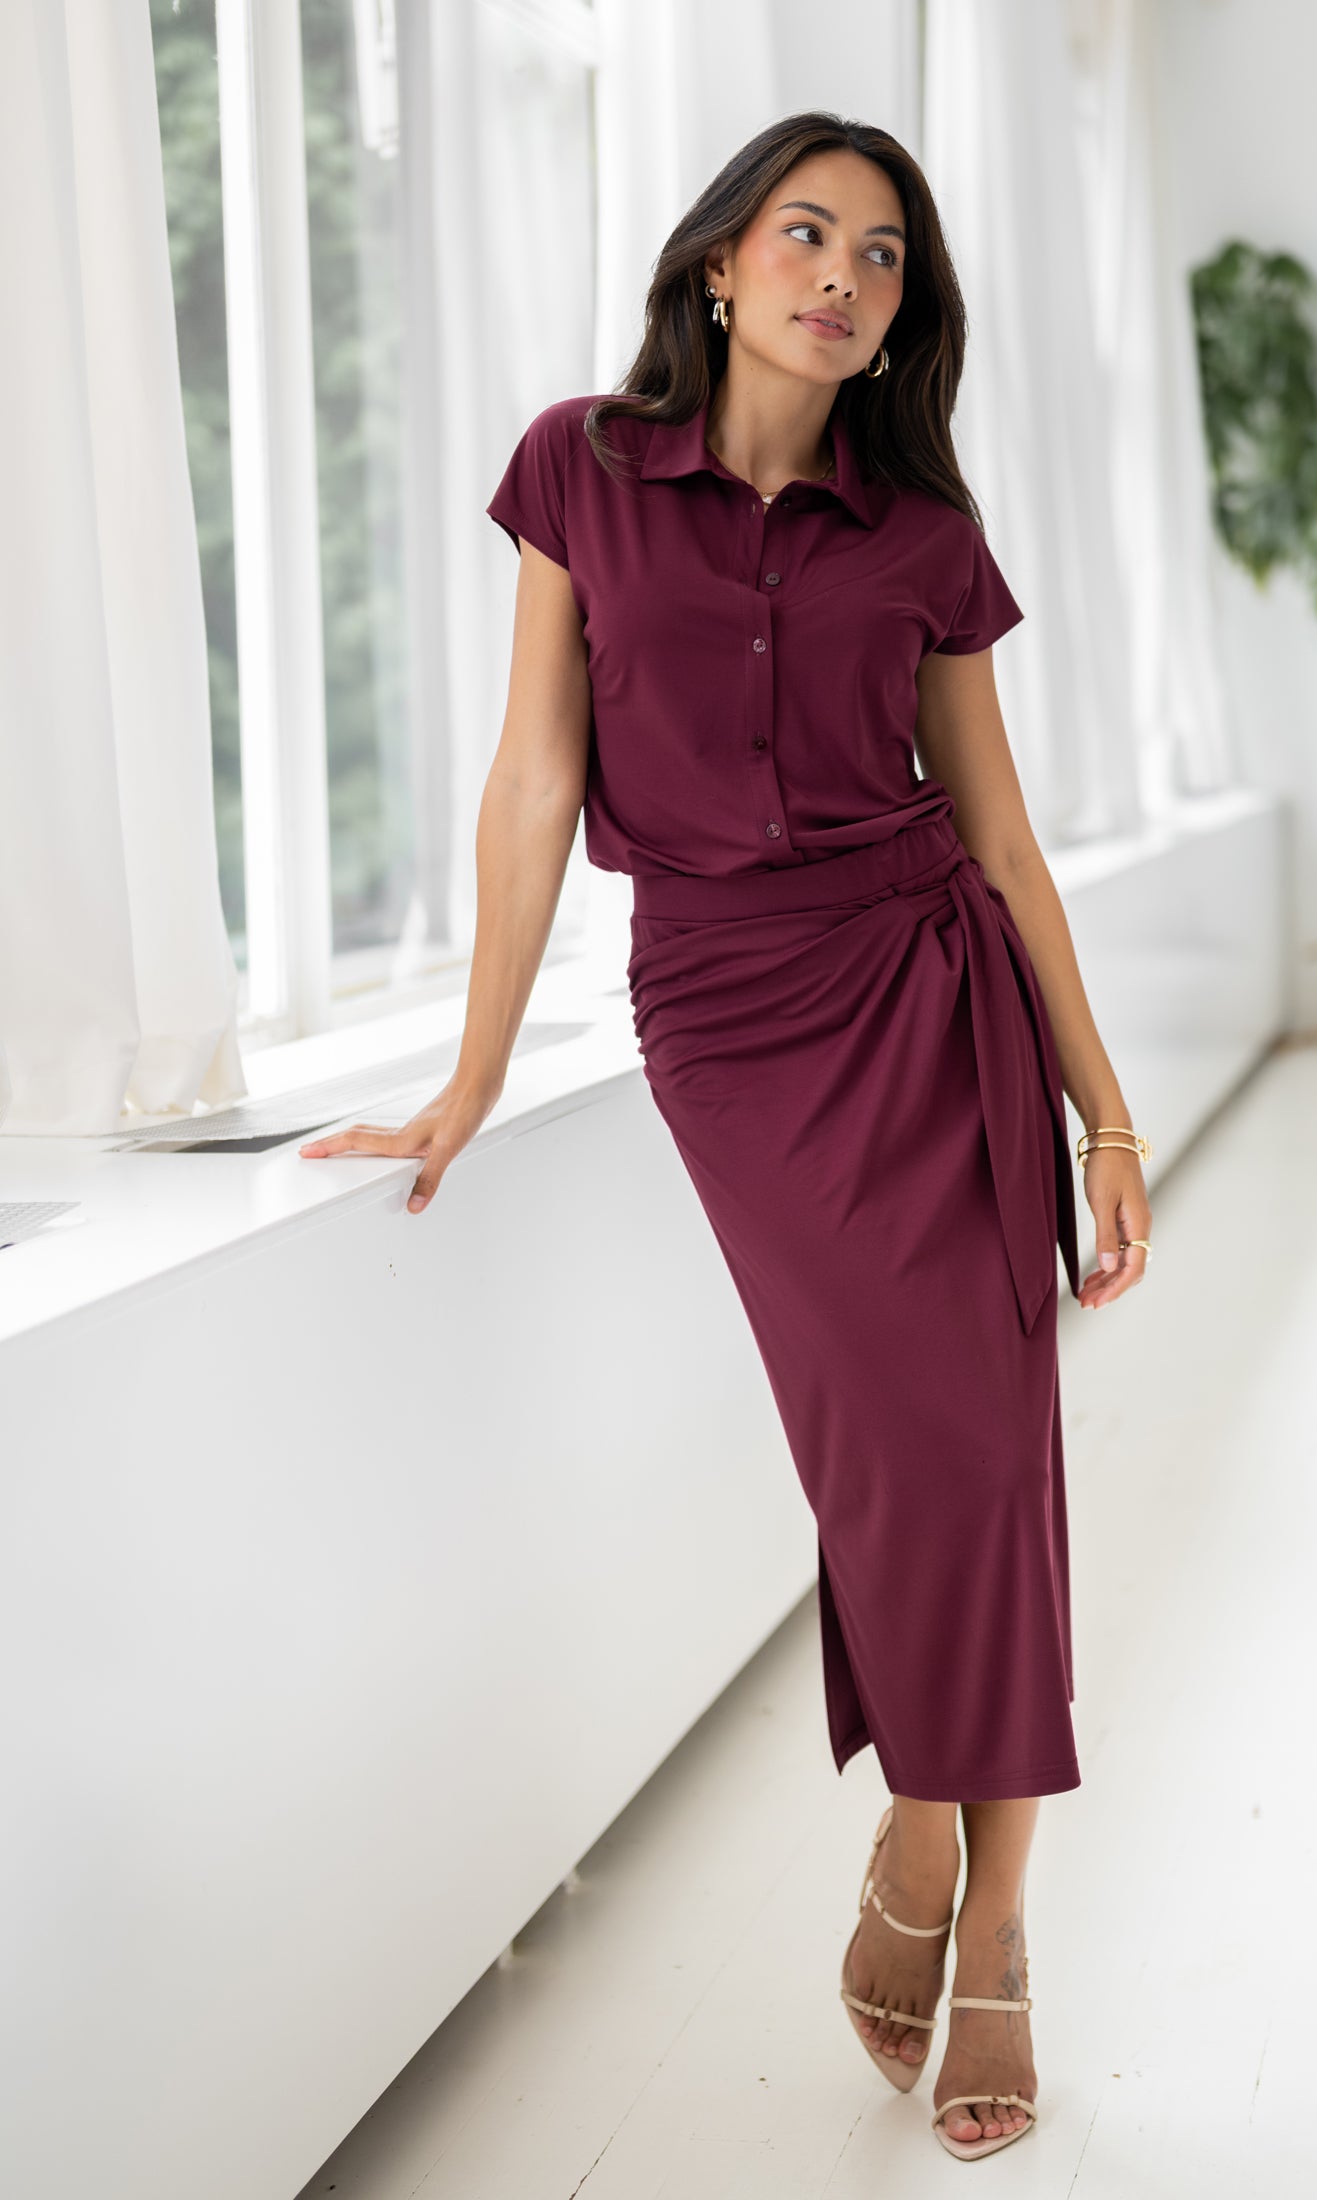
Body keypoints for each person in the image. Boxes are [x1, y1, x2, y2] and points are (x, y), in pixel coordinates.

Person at [300, 110, 1151, 2164]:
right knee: (885, 1441)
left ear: (896, 323)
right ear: (718, 263)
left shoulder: (924, 536)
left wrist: (1104, 1112)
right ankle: (930, 1828)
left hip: (938, 998)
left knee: (984, 1442)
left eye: (880, 259)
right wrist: (478, 1063)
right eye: (807, 233)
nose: (842, 275)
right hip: (732, 1021)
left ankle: (992, 1906)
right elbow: (530, 785)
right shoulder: (579, 471)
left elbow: (1006, 838)